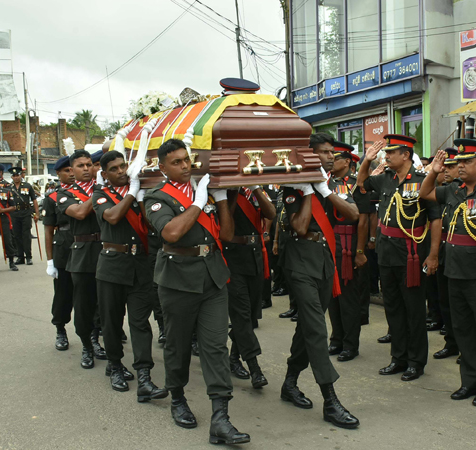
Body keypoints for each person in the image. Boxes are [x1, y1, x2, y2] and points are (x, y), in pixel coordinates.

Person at [144, 138, 249, 445]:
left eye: (186, 159)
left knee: (215, 346)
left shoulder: (203, 191)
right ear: (162, 167)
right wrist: (198, 201)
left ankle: (221, 418)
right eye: (176, 162)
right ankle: (178, 398)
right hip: (177, 279)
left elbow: (226, 235)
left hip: (212, 275)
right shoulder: (157, 196)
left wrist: (220, 200)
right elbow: (171, 232)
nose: (184, 165)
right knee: (177, 344)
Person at [420, 139, 476, 407]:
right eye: (457, 162)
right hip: (455, 270)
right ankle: (468, 381)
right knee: (463, 329)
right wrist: (433, 171)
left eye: (466, 161)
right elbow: (426, 194)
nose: (459, 166)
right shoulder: (453, 190)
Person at [278, 132, 360, 429]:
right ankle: (330, 399)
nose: (330, 157)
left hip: (325, 259)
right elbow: (299, 227)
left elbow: (352, 214)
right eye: (324, 152)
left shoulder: (333, 184)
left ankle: (289, 382)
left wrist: (324, 190)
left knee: (307, 326)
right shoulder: (293, 185)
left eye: (331, 153)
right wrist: (310, 191)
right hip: (299, 260)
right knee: (316, 327)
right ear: (310, 155)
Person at [358, 134, 440, 381]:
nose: (386, 156)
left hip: (412, 253)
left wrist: (433, 254)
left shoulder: (423, 181)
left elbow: (435, 219)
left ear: (406, 154)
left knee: (414, 309)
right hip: (387, 251)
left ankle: (416, 361)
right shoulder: (385, 179)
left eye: (391, 152)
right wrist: (366, 160)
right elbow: (362, 185)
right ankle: (398, 357)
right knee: (392, 308)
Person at [92, 151, 167, 402]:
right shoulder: (100, 195)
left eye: (124, 166)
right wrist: (133, 193)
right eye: (114, 169)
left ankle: (144, 376)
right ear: (104, 174)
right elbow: (113, 217)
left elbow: (151, 225)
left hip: (139, 266)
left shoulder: (139, 194)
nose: (122, 171)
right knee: (112, 322)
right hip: (112, 267)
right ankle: (115, 365)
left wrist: (141, 196)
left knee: (140, 322)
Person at [57, 150, 107, 370]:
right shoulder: (63, 193)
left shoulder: (106, 187)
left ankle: (96, 339)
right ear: (72, 170)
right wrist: (97, 192)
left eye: (89, 164)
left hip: (106, 249)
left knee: (103, 303)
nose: (87, 169)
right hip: (82, 252)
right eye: (81, 166)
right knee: (84, 303)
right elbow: (79, 213)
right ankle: (86, 344)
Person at [223, 183, 275, 387]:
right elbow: (226, 219)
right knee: (241, 314)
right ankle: (254, 367)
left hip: (254, 254)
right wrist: (234, 190)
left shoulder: (255, 189)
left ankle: (234, 358)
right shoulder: (226, 191)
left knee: (250, 314)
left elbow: (270, 213)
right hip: (232, 256)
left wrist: (254, 189)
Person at [327, 141, 371, 362]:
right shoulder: (326, 182)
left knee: (348, 297)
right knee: (332, 296)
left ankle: (350, 344)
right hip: (330, 241)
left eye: (335, 158)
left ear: (347, 161)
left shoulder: (356, 184)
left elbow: (363, 220)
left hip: (349, 242)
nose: (330, 162)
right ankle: (336, 339)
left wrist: (360, 250)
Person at [44, 156, 74, 351]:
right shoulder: (53, 197)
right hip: (64, 248)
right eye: (67, 171)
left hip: (88, 247)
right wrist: (50, 260)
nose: (71, 173)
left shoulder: (88, 194)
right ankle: (60, 329)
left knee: (90, 295)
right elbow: (48, 230)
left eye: (73, 169)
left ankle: (93, 332)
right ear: (59, 174)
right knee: (63, 293)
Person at [433, 147, 461, 360]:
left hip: (462, 253)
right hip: (444, 251)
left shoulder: (463, 192)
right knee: (446, 302)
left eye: (451, 166)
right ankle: (451, 342)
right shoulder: (444, 191)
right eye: (445, 167)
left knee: (462, 306)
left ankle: (464, 345)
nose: (446, 170)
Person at [8, 167, 38, 265]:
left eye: (18, 175)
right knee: (17, 236)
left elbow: (34, 200)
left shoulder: (27, 186)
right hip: (14, 214)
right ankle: (20, 257)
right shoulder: (9, 188)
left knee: (26, 235)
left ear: (21, 175)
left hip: (25, 212)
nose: (16, 178)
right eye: (14, 176)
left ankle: (29, 257)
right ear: (12, 177)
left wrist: (37, 213)